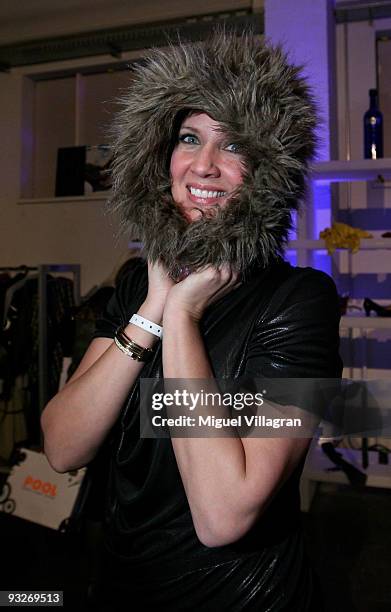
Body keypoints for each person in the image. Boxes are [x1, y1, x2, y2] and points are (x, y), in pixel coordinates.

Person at [41, 32, 342, 611]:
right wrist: (153, 306)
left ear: (267, 167)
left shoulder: (303, 300)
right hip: (120, 583)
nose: (204, 165)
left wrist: (182, 313)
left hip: (242, 596)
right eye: (189, 138)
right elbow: (63, 446)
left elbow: (225, 514)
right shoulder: (136, 284)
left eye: (233, 145)